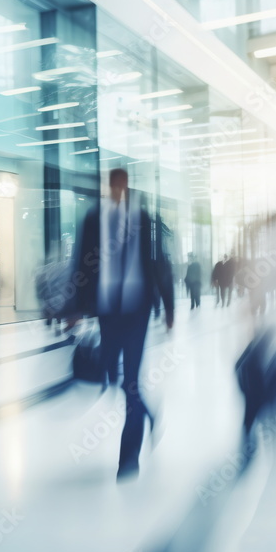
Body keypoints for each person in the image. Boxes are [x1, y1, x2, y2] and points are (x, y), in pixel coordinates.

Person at [73, 168, 174, 479]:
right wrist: (75, 306)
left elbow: (159, 260)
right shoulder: (94, 217)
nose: (118, 187)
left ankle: (128, 458)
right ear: (109, 186)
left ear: (127, 185)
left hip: (137, 309)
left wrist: (169, 305)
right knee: (111, 374)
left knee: (131, 378)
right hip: (107, 309)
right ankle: (146, 412)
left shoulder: (143, 217)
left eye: (122, 183)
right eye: (113, 183)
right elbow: (82, 260)